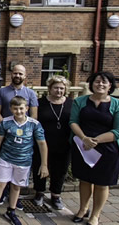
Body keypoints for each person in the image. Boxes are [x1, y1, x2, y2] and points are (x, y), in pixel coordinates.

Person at [0, 96, 48, 225]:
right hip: (6, 159)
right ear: (11, 109)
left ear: (27, 108)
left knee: (16, 187)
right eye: (15, 109)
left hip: (23, 162)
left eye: (21, 108)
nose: (19, 111)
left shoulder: (34, 124)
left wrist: (44, 164)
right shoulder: (6, 122)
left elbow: (42, 144)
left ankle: (11, 210)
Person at [69, 71, 119, 225]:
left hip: (108, 150)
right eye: (97, 82)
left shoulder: (118, 105)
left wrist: (96, 140)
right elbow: (73, 122)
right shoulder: (80, 101)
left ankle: (95, 215)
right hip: (84, 148)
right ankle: (83, 209)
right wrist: (84, 139)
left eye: (104, 82)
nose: (100, 85)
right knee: (85, 180)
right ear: (91, 84)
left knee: (102, 183)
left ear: (110, 86)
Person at [0, 64, 38, 208]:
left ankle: (14, 199)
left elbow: (34, 116)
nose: (17, 76)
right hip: (5, 134)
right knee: (4, 166)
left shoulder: (31, 94)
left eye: (20, 73)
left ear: (25, 76)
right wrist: (7, 128)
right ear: (11, 74)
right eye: (15, 73)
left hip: (23, 138)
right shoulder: (2, 91)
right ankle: (2, 194)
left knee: (18, 168)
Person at [31, 75, 73, 210]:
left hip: (64, 143)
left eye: (62, 88)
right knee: (40, 167)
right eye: (56, 88)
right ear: (49, 88)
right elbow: (34, 121)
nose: (59, 91)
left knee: (60, 170)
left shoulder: (71, 103)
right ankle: (39, 192)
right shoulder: (40, 103)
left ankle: (56, 195)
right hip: (43, 142)